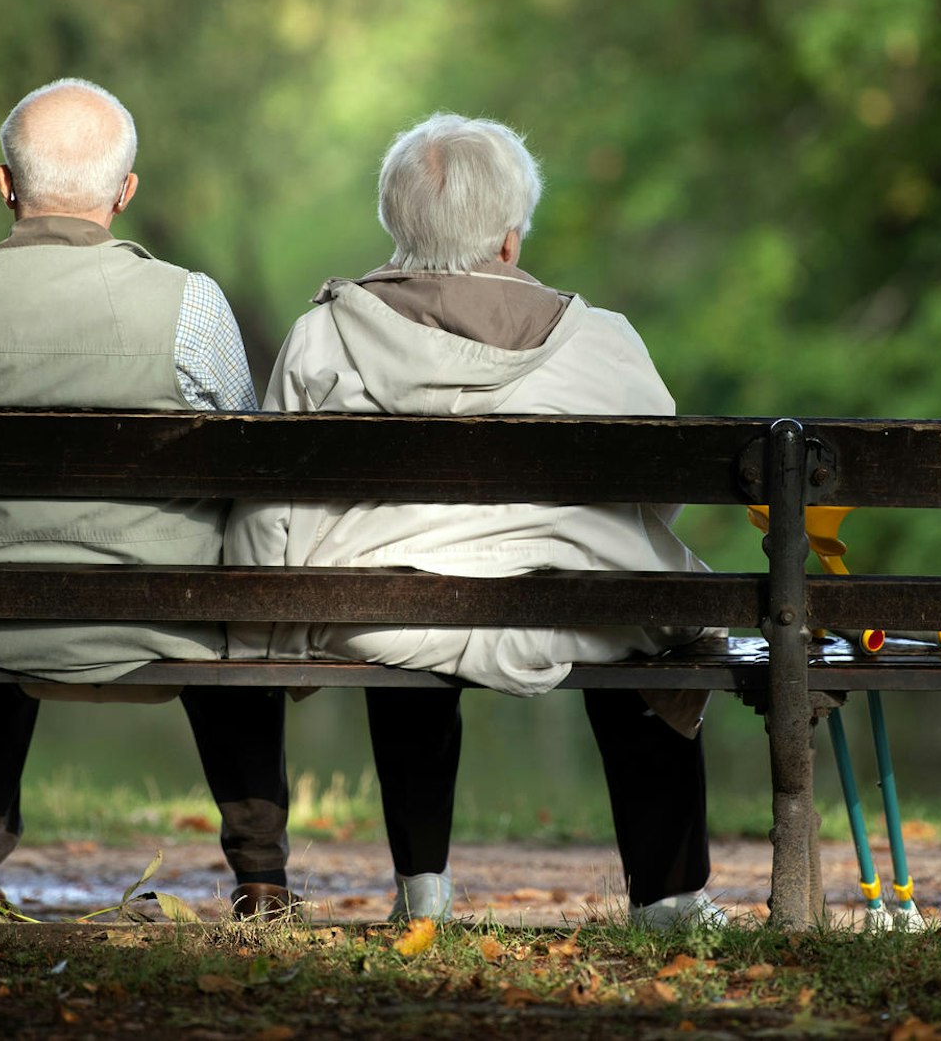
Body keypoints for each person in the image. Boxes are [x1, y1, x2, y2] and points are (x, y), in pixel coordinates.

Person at [224, 112, 725, 928]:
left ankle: (422, 890)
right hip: (575, 611)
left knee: (407, 591)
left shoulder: (325, 334)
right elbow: (655, 496)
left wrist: (272, 621)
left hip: (381, 615)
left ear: (395, 228)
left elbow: (272, 501)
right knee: (645, 620)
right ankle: (669, 898)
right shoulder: (601, 340)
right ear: (509, 239)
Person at [0, 77, 292, 916]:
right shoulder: (192, 304)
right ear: (126, 191)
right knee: (236, 587)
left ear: (5, 184)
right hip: (171, 618)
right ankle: (263, 878)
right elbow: (247, 478)